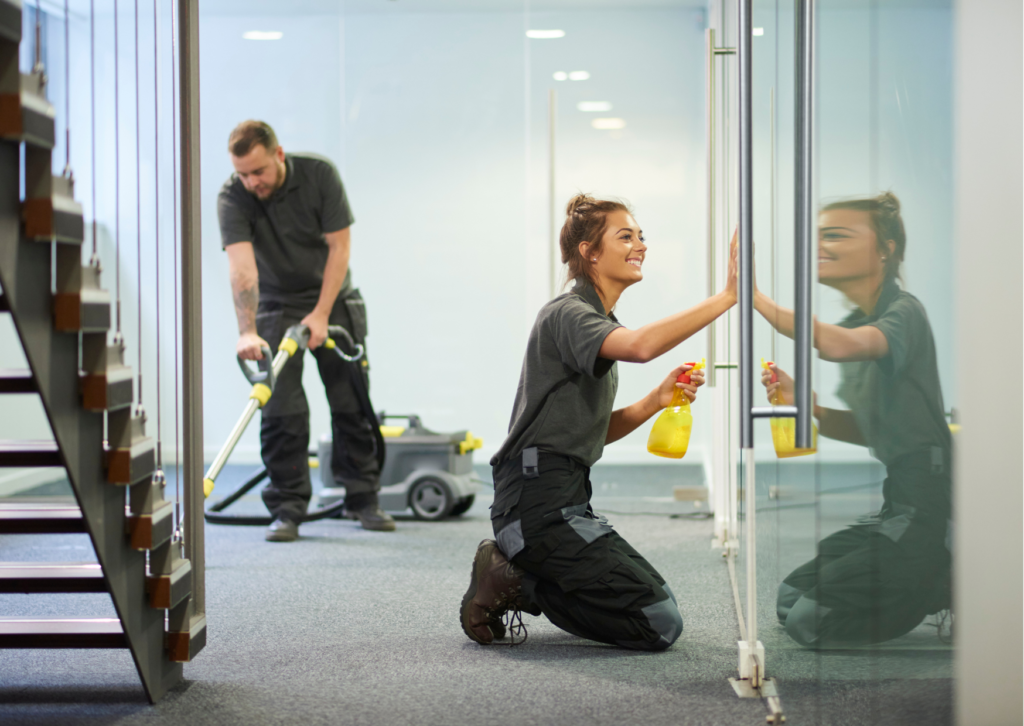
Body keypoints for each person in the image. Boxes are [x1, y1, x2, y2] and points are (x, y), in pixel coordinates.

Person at [460, 194, 737, 649]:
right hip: (534, 507)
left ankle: (521, 573)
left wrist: (655, 400)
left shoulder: (596, 318)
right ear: (589, 252)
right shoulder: (568, 313)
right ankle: (514, 579)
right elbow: (641, 346)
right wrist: (728, 297)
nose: (640, 245)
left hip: (566, 499)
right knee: (658, 624)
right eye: (625, 236)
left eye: (641, 236)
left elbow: (584, 433)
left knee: (659, 605)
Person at [756, 192, 952, 647]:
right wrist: (812, 409)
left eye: (836, 235)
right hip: (896, 501)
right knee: (790, 600)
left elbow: (837, 344)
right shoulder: (858, 320)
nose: (819, 246)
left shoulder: (903, 312)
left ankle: (942, 579)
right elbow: (874, 430)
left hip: (928, 504)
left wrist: (754, 299)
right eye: (818, 236)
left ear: (885, 249)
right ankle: (926, 570)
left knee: (810, 623)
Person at [217, 120, 395, 542]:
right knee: (281, 411)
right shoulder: (233, 196)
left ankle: (362, 499)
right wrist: (247, 330)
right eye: (243, 174)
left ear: (278, 155)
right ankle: (287, 508)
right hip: (276, 305)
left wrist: (321, 313)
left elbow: (340, 247)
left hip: (333, 298)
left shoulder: (319, 175)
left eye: (258, 171)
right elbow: (242, 269)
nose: (251, 182)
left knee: (351, 403)